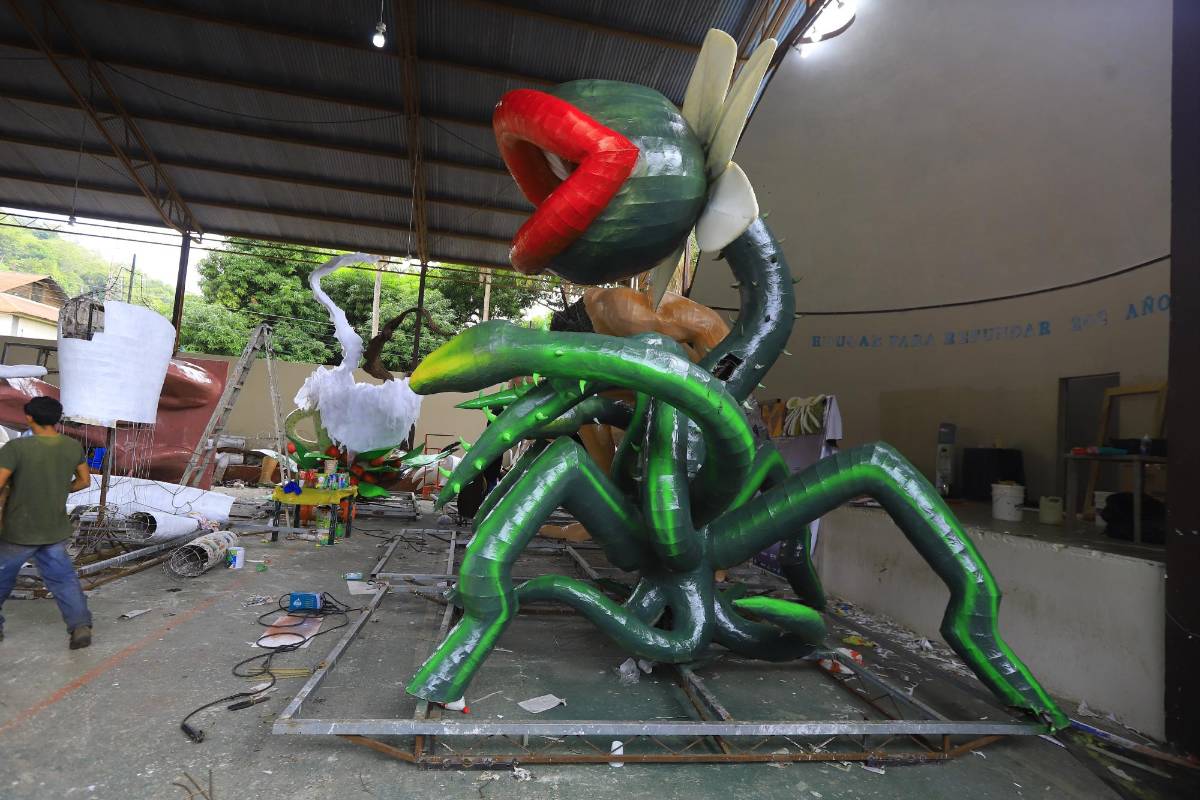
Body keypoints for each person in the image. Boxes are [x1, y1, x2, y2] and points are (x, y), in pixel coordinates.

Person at [0, 396, 92, 648]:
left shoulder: (16, 448)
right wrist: (61, 489)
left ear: (29, 417)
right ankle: (80, 627)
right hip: (54, 529)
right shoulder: (71, 446)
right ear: (56, 419)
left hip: (19, 530)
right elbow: (84, 481)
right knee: (64, 580)